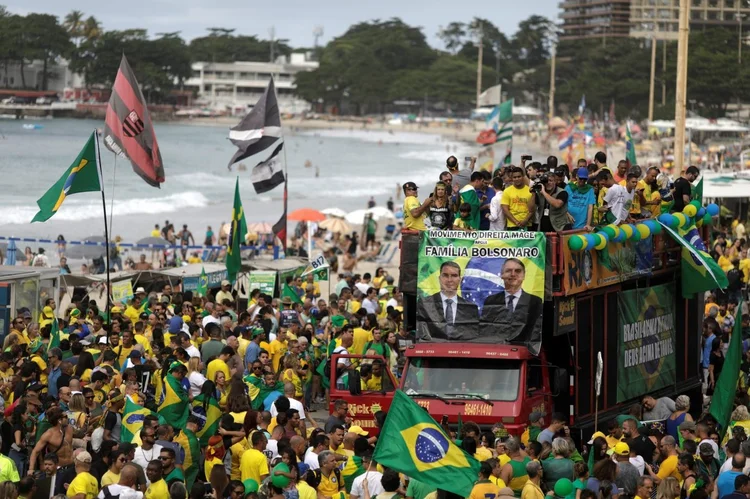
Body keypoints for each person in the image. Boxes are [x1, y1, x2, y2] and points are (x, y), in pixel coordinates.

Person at [481, 258, 542, 344]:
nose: (513, 274)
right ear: (502, 275)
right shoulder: (490, 300)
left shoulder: (535, 301)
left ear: (524, 275)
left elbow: (536, 332)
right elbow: (485, 329)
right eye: (508, 271)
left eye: (517, 271)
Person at [415, 261, 479, 341]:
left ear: (460, 279)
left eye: (454, 276)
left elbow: (472, 337)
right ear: (439, 278)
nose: (449, 280)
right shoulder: (425, 304)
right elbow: (421, 334)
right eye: (445, 275)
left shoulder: (471, 308)